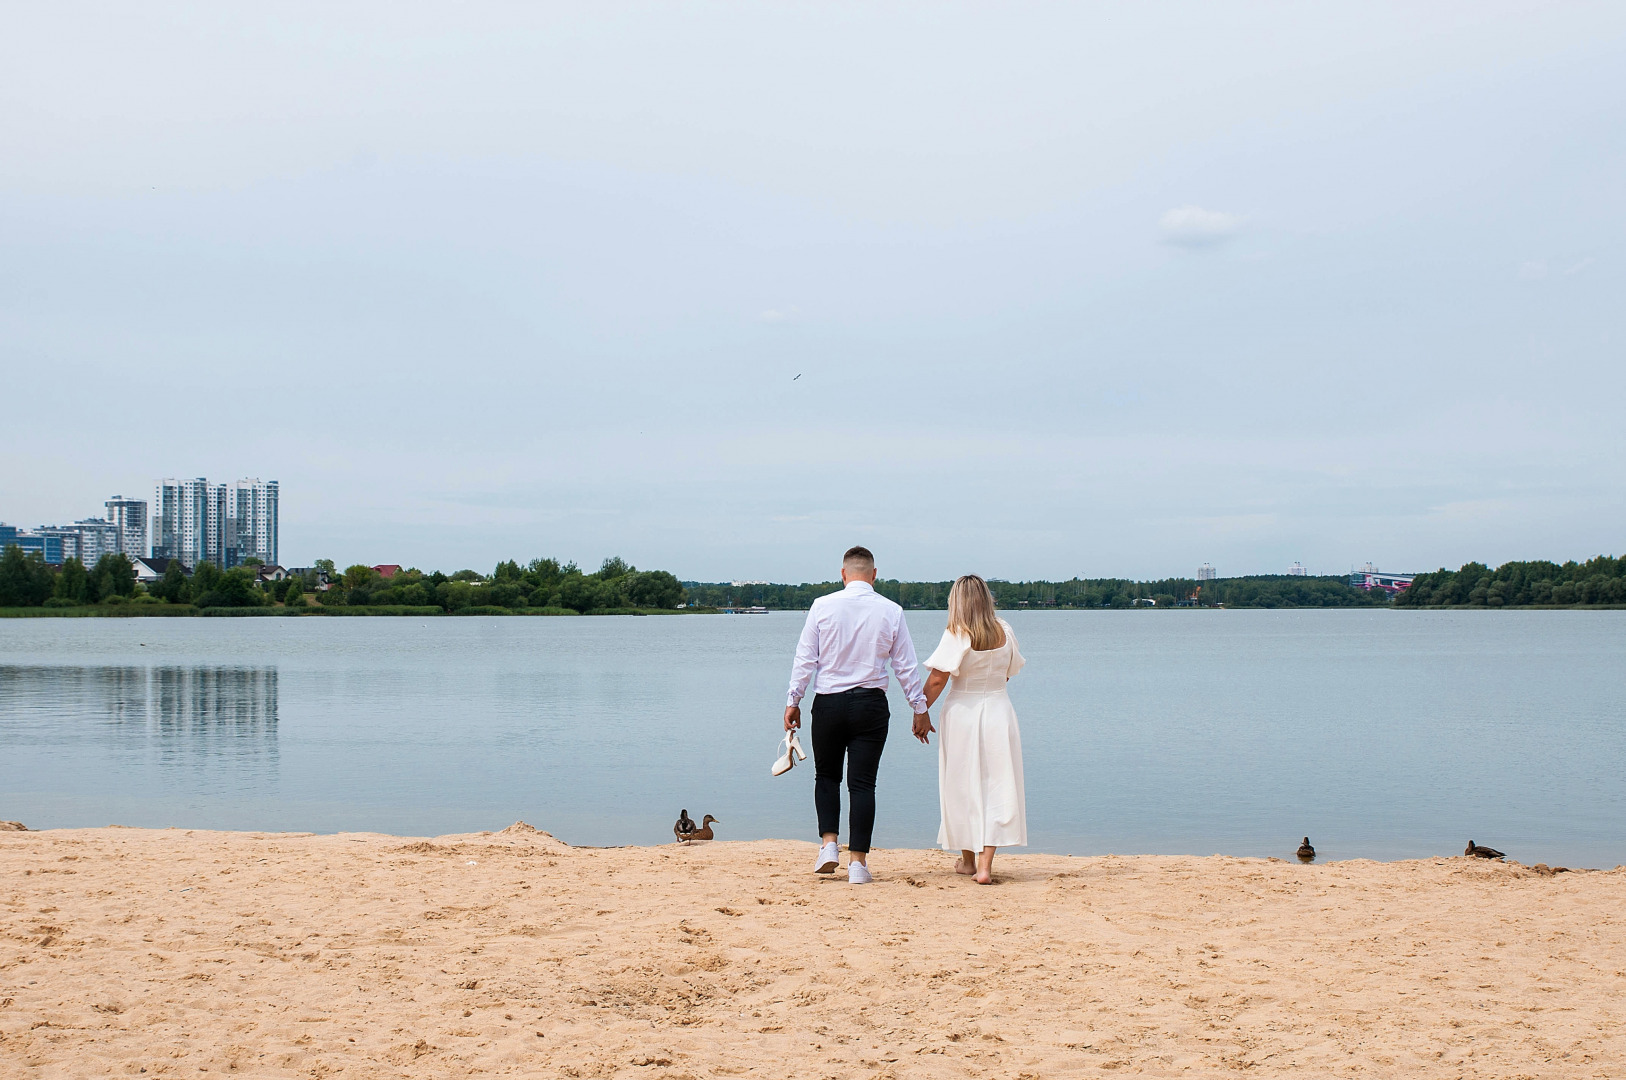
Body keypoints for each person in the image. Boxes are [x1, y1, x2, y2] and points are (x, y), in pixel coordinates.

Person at [785, 546, 929, 884]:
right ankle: (859, 864)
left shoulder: (821, 606)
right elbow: (905, 667)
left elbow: (805, 659)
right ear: (874, 575)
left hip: (829, 703)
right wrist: (919, 708)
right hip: (871, 705)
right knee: (863, 784)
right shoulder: (892, 611)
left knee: (827, 777)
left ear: (843, 574)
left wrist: (794, 700)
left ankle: (828, 845)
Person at [915, 574, 1027, 884]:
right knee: (997, 783)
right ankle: (985, 867)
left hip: (963, 712)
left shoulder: (957, 633)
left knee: (962, 783)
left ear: (958, 602)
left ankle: (966, 861)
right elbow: (1009, 673)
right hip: (999, 710)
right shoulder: (1005, 631)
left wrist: (920, 712)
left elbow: (937, 680)